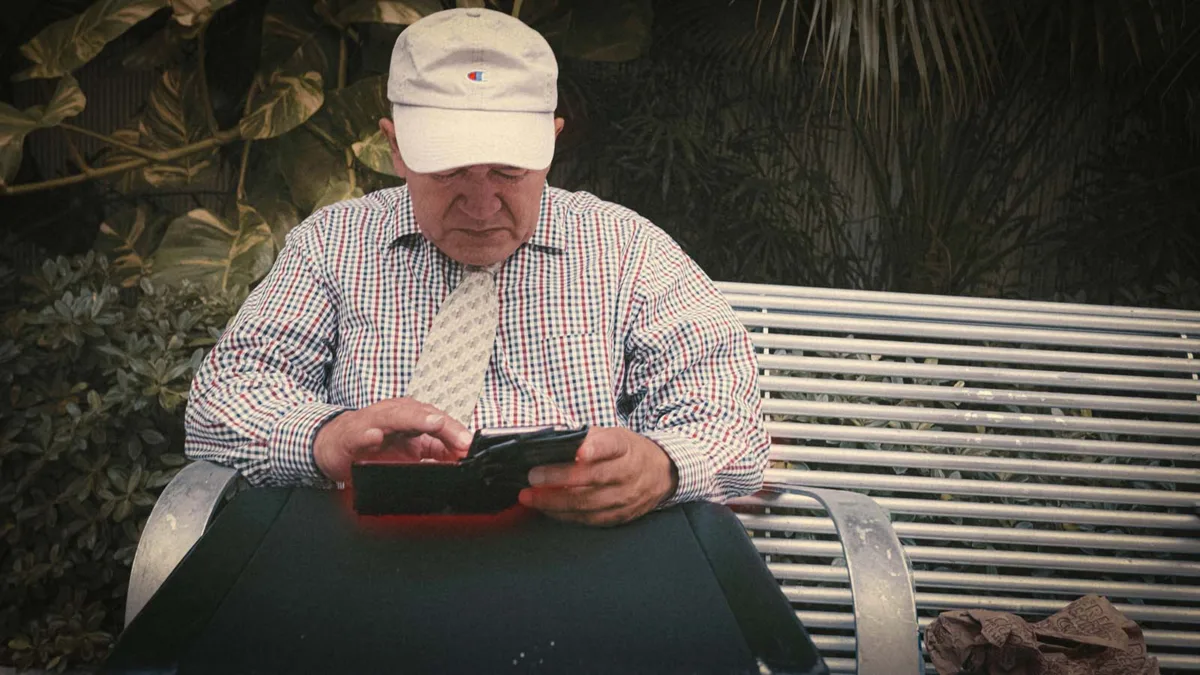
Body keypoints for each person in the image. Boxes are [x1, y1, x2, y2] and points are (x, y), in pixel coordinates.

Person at [184, 7, 770, 527]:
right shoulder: (333, 244)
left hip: (575, 558)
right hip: (373, 553)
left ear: (552, 143)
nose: (482, 205)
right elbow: (222, 400)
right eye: (448, 172)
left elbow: (731, 417)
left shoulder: (628, 251)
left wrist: (663, 465)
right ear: (396, 147)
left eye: (509, 172)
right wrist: (324, 437)